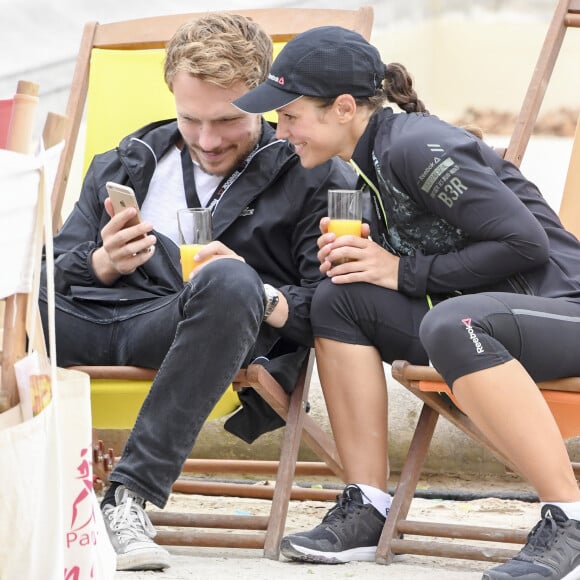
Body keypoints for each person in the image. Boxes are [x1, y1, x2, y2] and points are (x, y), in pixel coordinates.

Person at [234, 25, 580, 580]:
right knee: (337, 300)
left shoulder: (417, 147)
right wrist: (369, 255)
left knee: (454, 321)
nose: (280, 129)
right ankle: (368, 506)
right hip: (486, 326)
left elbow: (525, 243)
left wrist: (400, 269)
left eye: (290, 114)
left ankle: (568, 515)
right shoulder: (360, 168)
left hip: (560, 312)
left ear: (343, 108)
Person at [40, 15, 355, 572]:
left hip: (192, 330)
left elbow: (333, 307)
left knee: (231, 281)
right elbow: (54, 272)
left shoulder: (312, 172)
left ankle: (127, 498)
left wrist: (253, 289)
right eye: (191, 119)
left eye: (229, 119)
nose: (208, 141)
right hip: (86, 321)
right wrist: (103, 262)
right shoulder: (126, 159)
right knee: (13, 285)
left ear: (263, 101)